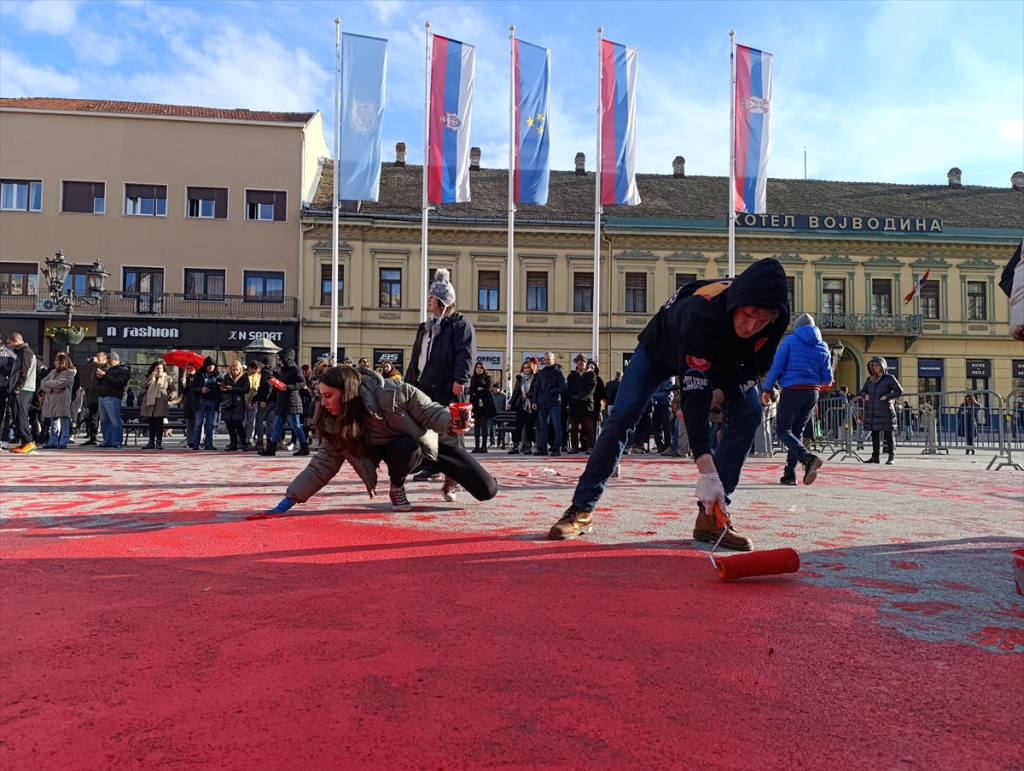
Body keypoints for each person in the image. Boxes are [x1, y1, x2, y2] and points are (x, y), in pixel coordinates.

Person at [548, 258, 790, 551]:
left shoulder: (776, 318)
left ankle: (712, 519)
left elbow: (756, 368)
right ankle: (581, 508)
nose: (752, 326)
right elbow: (694, 396)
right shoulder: (701, 311)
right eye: (748, 314)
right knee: (623, 414)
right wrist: (706, 470)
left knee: (750, 410)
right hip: (660, 348)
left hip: (722, 357)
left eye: (762, 320)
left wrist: (722, 394)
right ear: (737, 302)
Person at [250, 365, 498, 518]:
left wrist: (453, 423)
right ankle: (397, 487)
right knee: (404, 446)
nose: (323, 403)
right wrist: (289, 500)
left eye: (328, 396)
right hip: (404, 452)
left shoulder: (393, 392)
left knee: (487, 491)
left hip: (434, 441)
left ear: (346, 394)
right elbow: (322, 464)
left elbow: (431, 412)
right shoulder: (333, 421)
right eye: (320, 396)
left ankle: (450, 475)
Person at [406, 268, 475, 486]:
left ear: (443, 302)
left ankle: (457, 471)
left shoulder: (459, 324)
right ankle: (432, 466)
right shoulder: (425, 327)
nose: (428, 301)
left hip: (447, 386)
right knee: (428, 428)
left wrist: (461, 379)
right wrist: (409, 382)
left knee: (452, 429)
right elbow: (416, 357)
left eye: (432, 298)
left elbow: (466, 353)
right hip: (424, 386)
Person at [761, 312, 833, 486]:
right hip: (813, 392)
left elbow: (777, 366)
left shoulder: (790, 341)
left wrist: (767, 388)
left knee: (783, 430)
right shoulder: (823, 345)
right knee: (797, 431)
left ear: (797, 327)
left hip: (793, 389)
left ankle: (806, 457)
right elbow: (828, 379)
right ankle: (789, 473)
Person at [258, 350, 309, 457]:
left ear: (286, 359)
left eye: (280, 359)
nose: (279, 361)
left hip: (292, 402)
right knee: (277, 426)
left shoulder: (295, 369)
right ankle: (271, 448)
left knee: (295, 425)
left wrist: (288, 387)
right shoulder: (284, 370)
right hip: (282, 402)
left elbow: (302, 383)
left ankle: (304, 447)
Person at [858, 355, 903, 464]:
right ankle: (875, 456)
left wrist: (887, 397)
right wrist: (865, 395)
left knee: (889, 434)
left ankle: (891, 456)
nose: (875, 368)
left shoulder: (890, 378)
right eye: (873, 366)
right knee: (875, 434)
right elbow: (863, 391)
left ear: (882, 366)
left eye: (877, 366)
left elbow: (899, 391)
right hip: (872, 410)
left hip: (885, 410)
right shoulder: (870, 379)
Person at [529, 351, 567, 456]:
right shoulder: (541, 373)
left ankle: (556, 448)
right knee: (542, 427)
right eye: (545, 359)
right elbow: (536, 388)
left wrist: (552, 392)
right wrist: (534, 401)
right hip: (542, 404)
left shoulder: (559, 372)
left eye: (549, 359)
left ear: (553, 360)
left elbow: (564, 387)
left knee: (557, 427)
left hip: (554, 403)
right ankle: (543, 449)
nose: (547, 361)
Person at [5, 332, 38, 453]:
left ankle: (28, 441)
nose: (9, 346)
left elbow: (25, 371)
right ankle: (25, 441)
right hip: (21, 388)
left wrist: (18, 387)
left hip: (24, 389)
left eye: (10, 343)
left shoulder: (26, 352)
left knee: (20, 415)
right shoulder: (21, 352)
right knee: (16, 415)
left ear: (16, 341)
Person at [39, 351, 76, 449]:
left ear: (62, 362)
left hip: (62, 400)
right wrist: (51, 388)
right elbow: (42, 383)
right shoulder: (52, 372)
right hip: (51, 400)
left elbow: (61, 384)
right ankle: (53, 442)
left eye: (56, 361)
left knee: (64, 420)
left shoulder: (70, 372)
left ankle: (63, 441)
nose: (54, 362)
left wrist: (49, 383)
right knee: (53, 421)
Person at [95, 350, 130, 449]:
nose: (109, 363)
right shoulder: (110, 370)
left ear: (116, 360)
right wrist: (100, 378)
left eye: (110, 361)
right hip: (103, 396)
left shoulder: (123, 370)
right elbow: (102, 383)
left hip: (113, 397)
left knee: (115, 421)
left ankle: (116, 441)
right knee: (104, 421)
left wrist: (105, 376)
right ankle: (107, 441)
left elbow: (120, 383)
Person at [189, 357, 222, 451]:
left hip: (212, 401)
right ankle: (196, 443)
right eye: (209, 365)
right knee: (198, 423)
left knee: (210, 424)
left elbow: (220, 388)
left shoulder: (218, 375)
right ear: (205, 365)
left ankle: (209, 444)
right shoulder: (199, 374)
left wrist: (218, 388)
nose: (210, 367)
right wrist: (201, 390)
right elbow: (192, 388)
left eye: (212, 365)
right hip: (200, 401)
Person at [566, 353, 597, 454]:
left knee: (588, 427)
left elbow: (590, 390)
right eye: (579, 361)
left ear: (586, 362)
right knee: (573, 428)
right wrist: (572, 398)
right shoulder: (572, 375)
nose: (581, 363)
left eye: (583, 361)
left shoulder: (591, 375)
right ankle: (574, 447)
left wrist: (580, 397)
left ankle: (591, 446)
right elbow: (569, 389)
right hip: (574, 406)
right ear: (576, 362)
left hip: (586, 405)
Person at [139, 360, 173, 450]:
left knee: (159, 423)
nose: (159, 370)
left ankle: (159, 442)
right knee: (151, 423)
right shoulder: (149, 377)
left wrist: (168, 397)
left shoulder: (167, 378)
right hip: (150, 403)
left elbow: (173, 390)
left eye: (161, 368)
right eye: (157, 368)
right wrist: (152, 378)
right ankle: (151, 442)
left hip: (161, 402)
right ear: (153, 369)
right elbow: (142, 386)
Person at [508, 358, 537, 454]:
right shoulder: (520, 379)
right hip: (520, 405)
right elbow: (515, 393)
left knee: (529, 427)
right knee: (518, 426)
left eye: (528, 368)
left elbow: (537, 392)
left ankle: (528, 446)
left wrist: (528, 395)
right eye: (524, 368)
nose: (526, 369)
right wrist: (510, 403)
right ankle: (515, 446)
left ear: (531, 368)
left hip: (531, 406)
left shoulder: (535, 378)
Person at [220, 361, 251, 451]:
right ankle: (233, 444)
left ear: (240, 369)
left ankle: (244, 443)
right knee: (229, 424)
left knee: (238, 423)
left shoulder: (244, 377)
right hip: (228, 402)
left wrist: (233, 388)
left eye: (237, 369)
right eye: (233, 369)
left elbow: (246, 389)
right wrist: (223, 389)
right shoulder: (227, 377)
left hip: (238, 402)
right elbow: (222, 388)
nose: (235, 371)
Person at [468, 362, 495, 453]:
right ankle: (476, 446)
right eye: (477, 367)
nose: (479, 369)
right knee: (476, 427)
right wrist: (478, 389)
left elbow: (488, 390)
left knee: (484, 426)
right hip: (475, 405)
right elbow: (471, 390)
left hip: (485, 406)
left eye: (481, 367)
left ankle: (484, 447)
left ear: (484, 369)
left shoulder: (488, 378)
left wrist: (480, 390)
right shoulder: (473, 378)